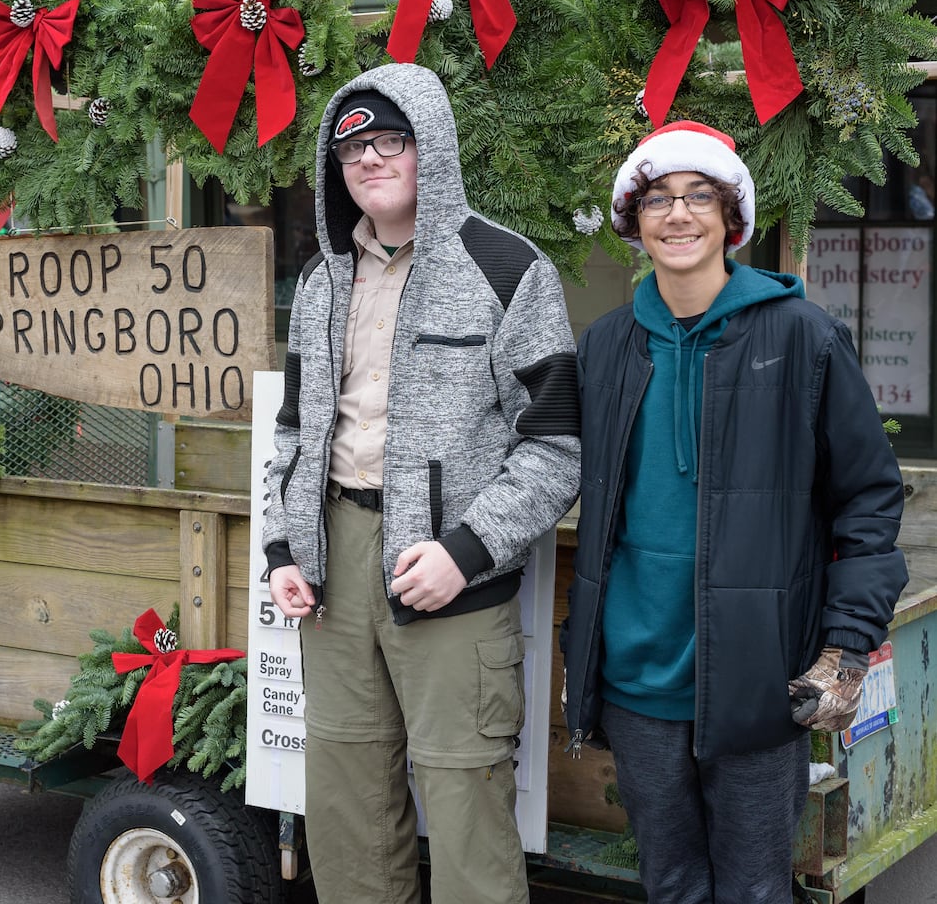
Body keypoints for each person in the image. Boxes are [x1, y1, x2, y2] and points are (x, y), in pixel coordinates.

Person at [562, 121, 909, 903]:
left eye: (697, 197)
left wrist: (847, 646)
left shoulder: (804, 337)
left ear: (731, 219)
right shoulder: (608, 345)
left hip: (758, 677)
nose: (677, 215)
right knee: (670, 882)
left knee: (755, 889)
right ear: (633, 221)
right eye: (657, 199)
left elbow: (867, 495)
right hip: (638, 677)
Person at [263, 62, 582, 904]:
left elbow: (555, 449)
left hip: (448, 573)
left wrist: (464, 553)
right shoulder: (324, 279)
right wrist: (283, 547)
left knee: (466, 802)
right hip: (333, 568)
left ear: (430, 148)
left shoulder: (508, 269)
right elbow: (296, 431)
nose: (370, 160)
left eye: (390, 141)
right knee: (347, 805)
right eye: (352, 149)